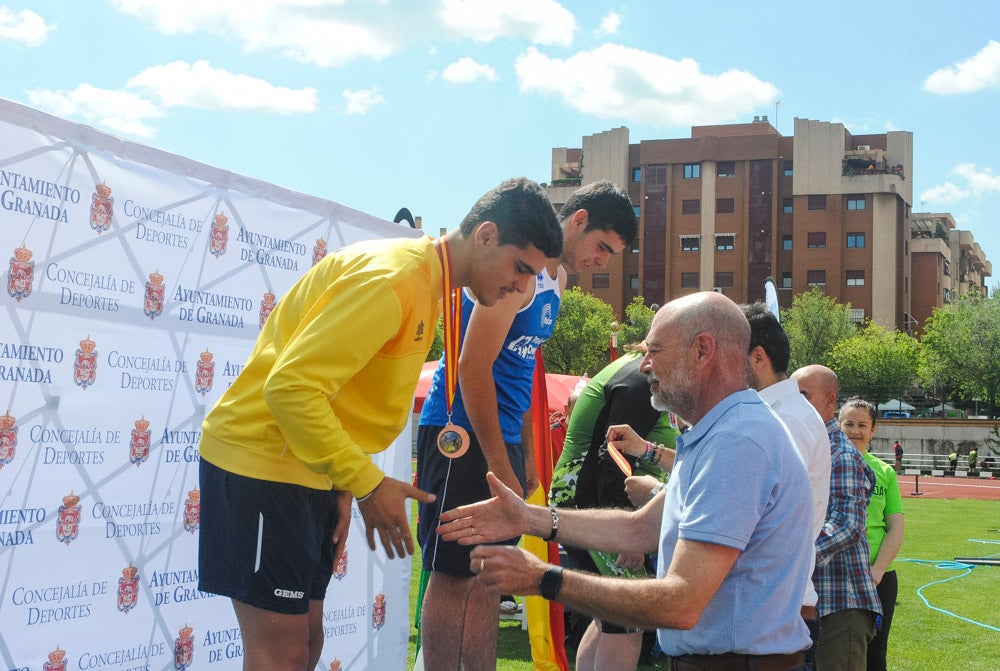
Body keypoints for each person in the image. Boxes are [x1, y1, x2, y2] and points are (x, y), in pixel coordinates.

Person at [196, 177, 564, 671]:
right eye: (521, 268)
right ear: (486, 235)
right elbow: (289, 389)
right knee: (281, 653)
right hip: (264, 463)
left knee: (306, 645)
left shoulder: (425, 285)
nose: (522, 287)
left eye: (532, 275)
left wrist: (343, 485)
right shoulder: (395, 279)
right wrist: (368, 485)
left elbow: (345, 393)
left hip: (308, 470)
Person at [437, 291, 814, 671]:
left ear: (702, 351)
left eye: (654, 350)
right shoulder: (722, 431)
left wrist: (543, 579)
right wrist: (528, 519)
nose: (645, 365)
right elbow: (641, 528)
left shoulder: (737, 441)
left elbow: (680, 602)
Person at [417, 180, 637, 671]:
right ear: (577, 220)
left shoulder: (552, 281)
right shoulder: (521, 273)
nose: (603, 262)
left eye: (612, 254)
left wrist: (530, 459)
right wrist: (501, 464)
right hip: (461, 431)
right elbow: (472, 369)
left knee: (490, 574)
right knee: (455, 573)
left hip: (501, 439)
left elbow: (523, 374)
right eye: (602, 246)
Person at [548, 346, 680, 671]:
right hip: (592, 499)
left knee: (609, 613)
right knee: (627, 614)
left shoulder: (637, 369)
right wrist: (626, 535)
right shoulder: (642, 378)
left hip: (584, 498)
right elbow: (613, 454)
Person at [741, 304, 831, 666]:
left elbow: (749, 511)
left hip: (771, 615)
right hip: (774, 610)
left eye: (728, 356)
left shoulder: (782, 419)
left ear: (757, 357)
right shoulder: (785, 413)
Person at [791, 365, 881, 671]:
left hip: (841, 605)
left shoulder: (840, 453)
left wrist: (791, 556)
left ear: (830, 401)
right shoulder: (806, 445)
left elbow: (847, 525)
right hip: (812, 603)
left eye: (802, 396)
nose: (794, 404)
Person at [838, 398, 905, 671]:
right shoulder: (825, 466)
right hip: (838, 575)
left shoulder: (884, 472)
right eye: (849, 424)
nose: (855, 431)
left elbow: (895, 527)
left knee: (876, 655)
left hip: (879, 578)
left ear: (873, 430)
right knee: (834, 651)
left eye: (862, 425)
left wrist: (878, 570)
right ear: (838, 425)